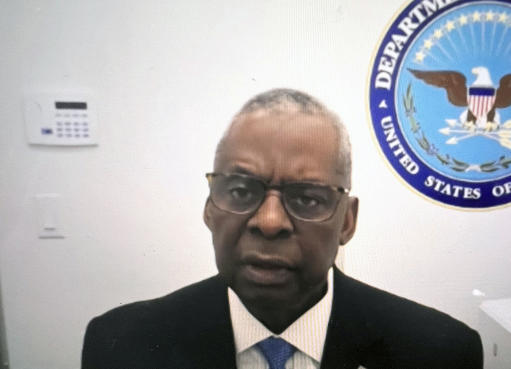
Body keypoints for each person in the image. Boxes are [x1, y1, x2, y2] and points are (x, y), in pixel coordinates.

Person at [81, 88, 483, 369]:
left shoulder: (438, 352)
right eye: (240, 190)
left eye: (308, 198)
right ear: (209, 209)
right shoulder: (121, 346)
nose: (269, 222)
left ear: (347, 221)